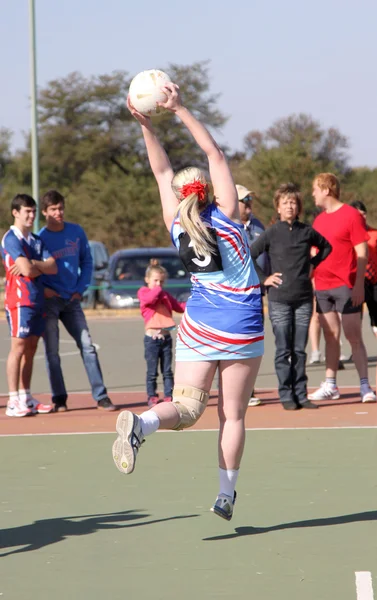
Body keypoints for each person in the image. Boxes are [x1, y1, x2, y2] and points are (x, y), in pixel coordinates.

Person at [112, 83, 264, 521]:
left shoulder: (176, 227)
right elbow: (214, 152)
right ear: (208, 190)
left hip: (197, 325)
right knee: (231, 415)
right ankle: (225, 495)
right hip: (241, 326)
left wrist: (145, 127)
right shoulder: (230, 215)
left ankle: (143, 424)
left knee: (188, 408)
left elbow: (161, 173)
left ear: (181, 198)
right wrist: (178, 109)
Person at [250, 183, 332, 410]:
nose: (289, 206)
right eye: (285, 202)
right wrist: (264, 278)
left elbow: (326, 247)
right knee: (283, 349)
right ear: (277, 207)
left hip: (304, 298)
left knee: (299, 350)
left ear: (299, 207)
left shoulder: (306, 231)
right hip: (279, 299)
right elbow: (249, 254)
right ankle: (286, 394)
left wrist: (312, 265)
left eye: (293, 202)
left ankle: (300, 393)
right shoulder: (271, 233)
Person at [38, 190, 117, 412]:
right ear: (45, 212)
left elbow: (87, 262)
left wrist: (80, 289)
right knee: (52, 352)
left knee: (87, 346)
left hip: (72, 301)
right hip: (51, 302)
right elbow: (35, 271)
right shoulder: (40, 238)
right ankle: (59, 399)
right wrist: (45, 291)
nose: (58, 212)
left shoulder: (76, 232)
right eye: (53, 209)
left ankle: (101, 396)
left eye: (60, 208)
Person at [309, 173, 376, 403]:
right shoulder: (318, 221)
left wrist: (358, 286)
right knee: (330, 336)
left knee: (353, 336)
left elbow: (362, 253)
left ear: (327, 189)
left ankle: (365, 386)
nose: (313, 194)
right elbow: (315, 254)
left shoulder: (351, 215)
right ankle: (330, 385)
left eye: (315, 189)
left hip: (346, 286)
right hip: (323, 287)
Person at [1, 194, 56, 417]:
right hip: (19, 301)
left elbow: (52, 266)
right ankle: (13, 400)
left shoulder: (36, 240)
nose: (32, 216)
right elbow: (26, 270)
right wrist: (34, 266)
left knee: (31, 350)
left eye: (33, 212)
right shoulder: (11, 239)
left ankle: (26, 396)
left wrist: (34, 263)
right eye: (27, 211)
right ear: (15, 212)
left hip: (37, 299)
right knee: (18, 349)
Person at [236, 184, 269, 407]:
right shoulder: (226, 227)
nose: (248, 205)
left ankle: (248, 388)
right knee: (235, 341)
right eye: (244, 201)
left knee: (252, 341)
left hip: (257, 295)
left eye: (250, 200)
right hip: (235, 295)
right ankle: (236, 391)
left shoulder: (258, 226)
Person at [138, 260, 185, 407]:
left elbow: (178, 307)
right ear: (147, 280)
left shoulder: (165, 295)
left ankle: (168, 395)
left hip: (166, 338)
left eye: (162, 281)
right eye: (155, 280)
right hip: (151, 340)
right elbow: (149, 299)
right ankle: (152, 396)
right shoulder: (144, 292)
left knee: (167, 371)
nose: (159, 284)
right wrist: (158, 289)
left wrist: (194, 304)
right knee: (152, 372)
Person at [350, 200, 377, 340]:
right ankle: (357, 350)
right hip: (356, 281)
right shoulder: (348, 236)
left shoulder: (374, 233)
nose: (362, 217)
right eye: (358, 214)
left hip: (374, 281)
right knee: (355, 317)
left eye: (364, 214)